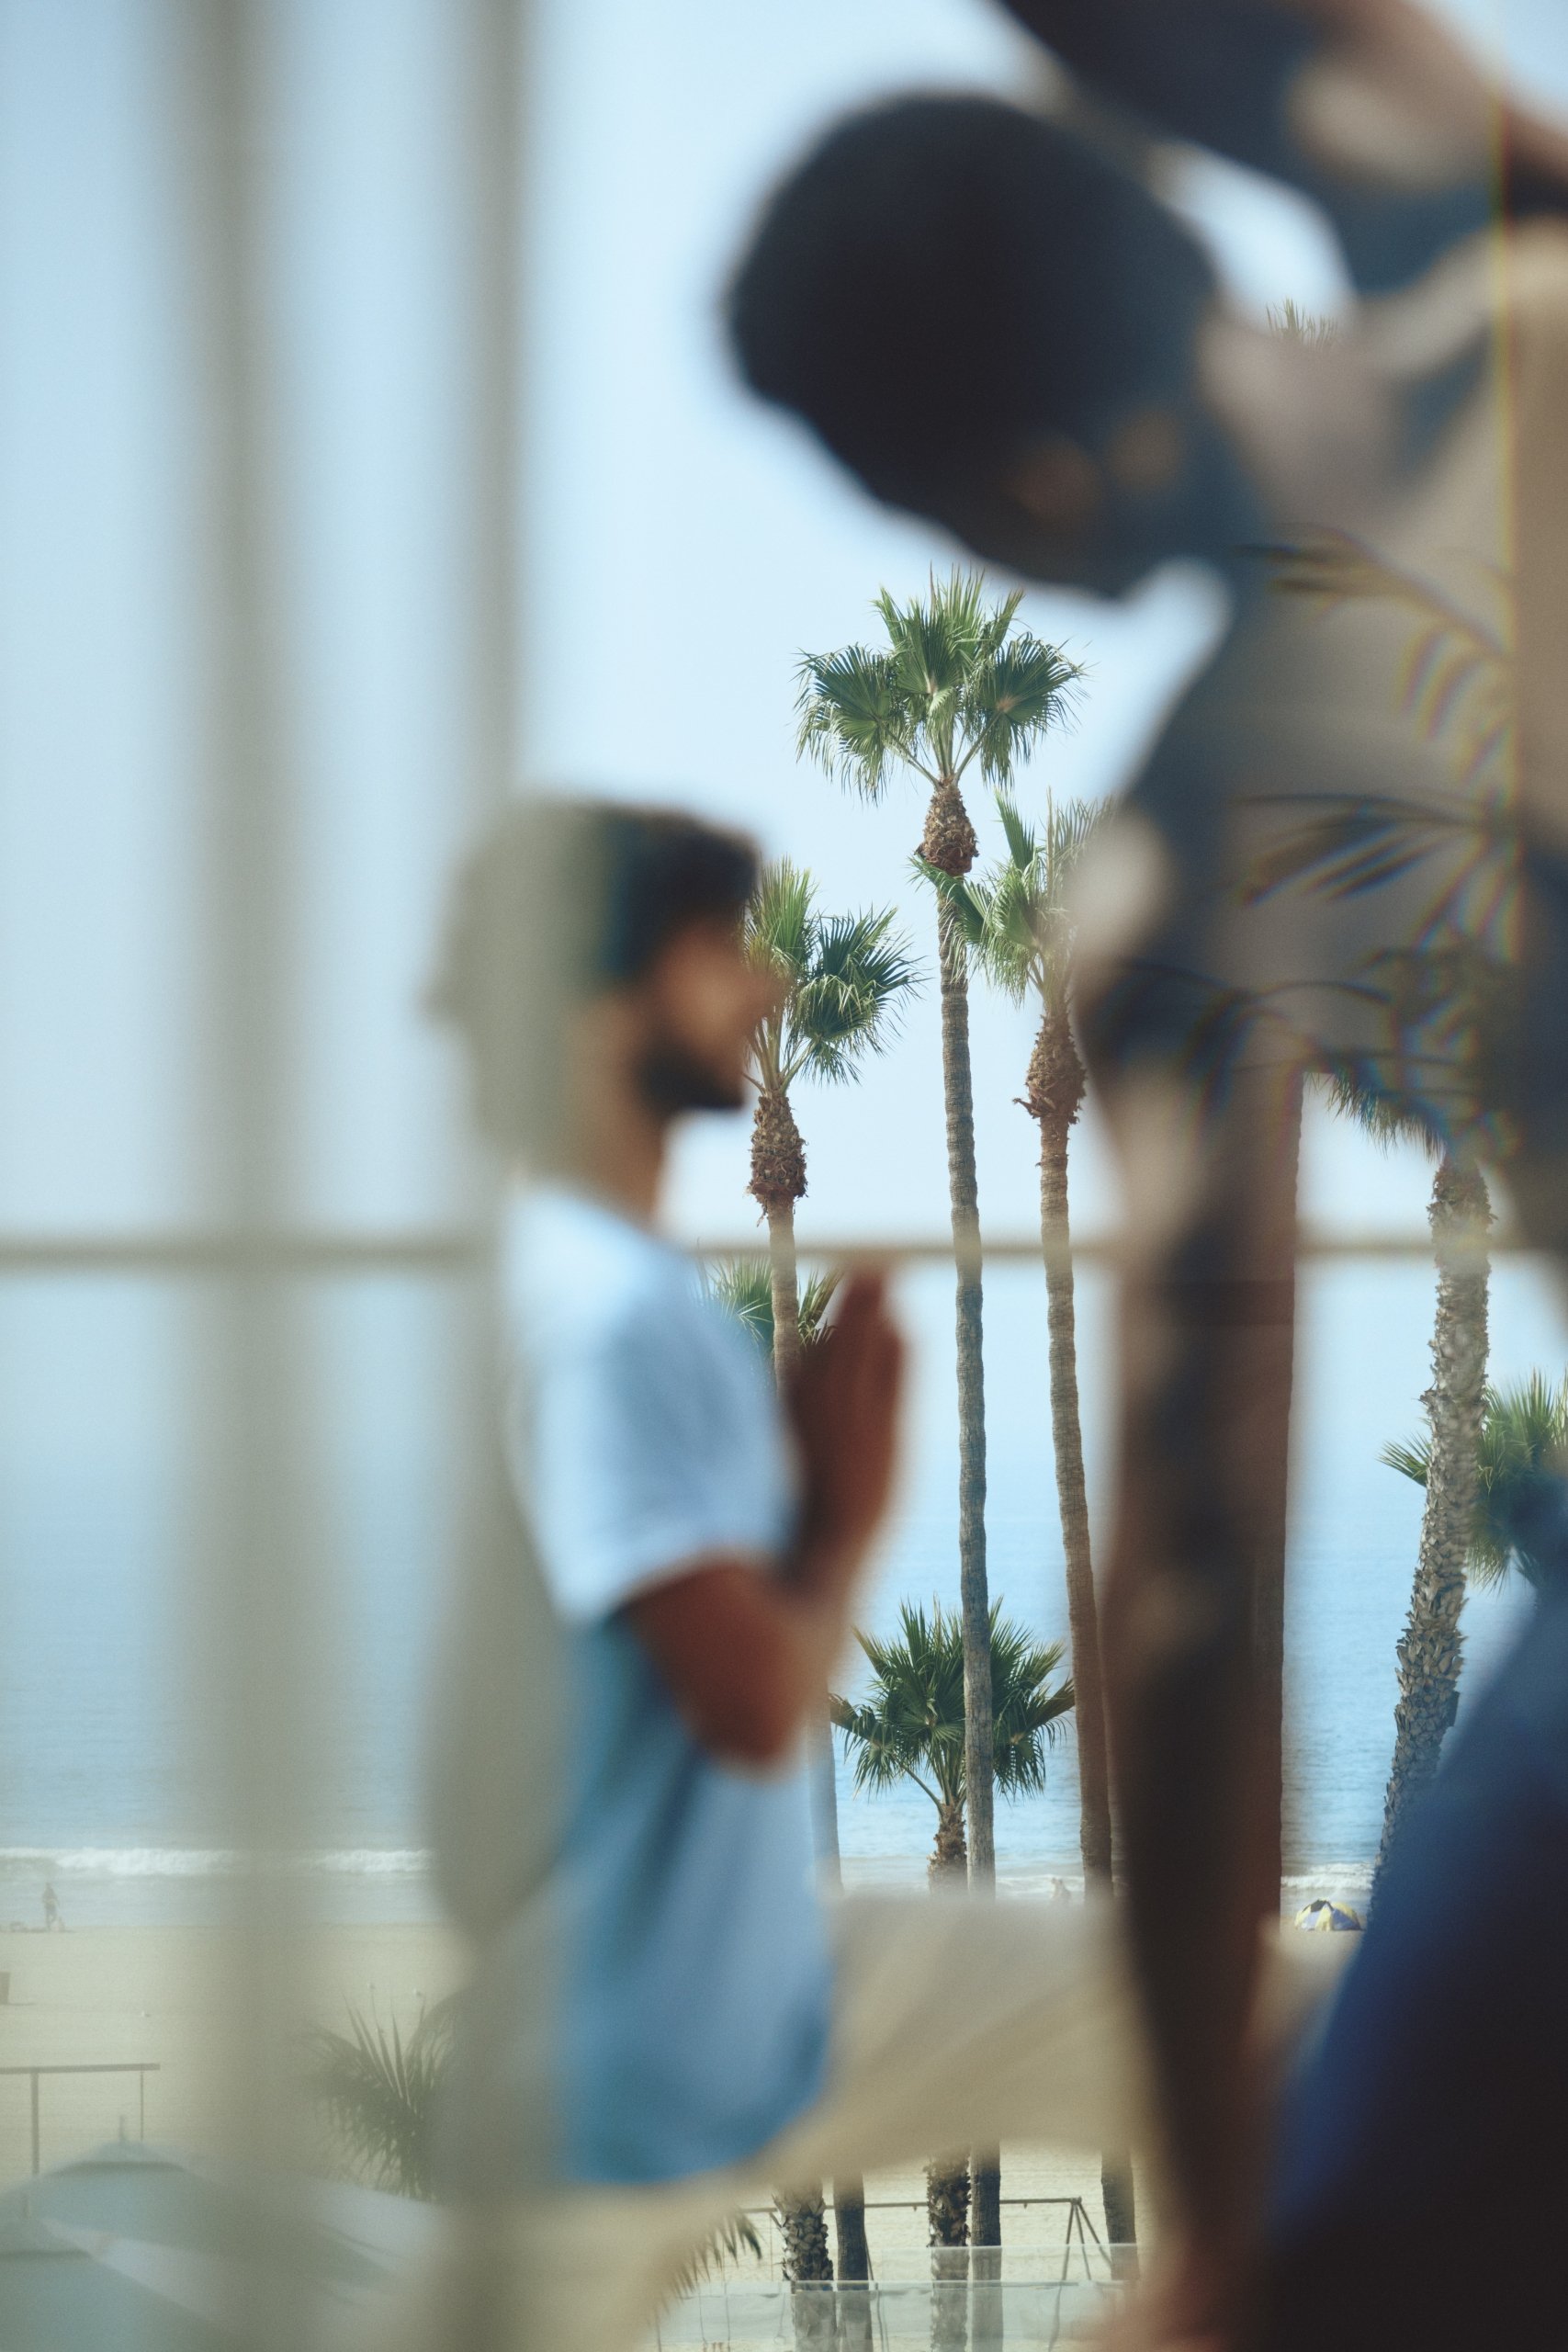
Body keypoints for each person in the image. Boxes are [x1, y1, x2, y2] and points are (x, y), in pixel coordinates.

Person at [727, 8, 1568, 2346]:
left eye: (931, 509)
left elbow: (1194, 1546)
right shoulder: (1512, 262)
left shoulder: (1185, 866)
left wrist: (1218, 2230)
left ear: (1021, 486)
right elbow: (1292, 41)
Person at [415, 797, 1146, 2352]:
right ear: (598, 999)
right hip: (633, 2089)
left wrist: (815, 1507)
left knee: (1260, 2023)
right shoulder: (601, 1317)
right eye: (715, 950)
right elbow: (748, 1699)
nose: (766, 988)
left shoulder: (604, 1287)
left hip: (778, 2006)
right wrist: (844, 1513)